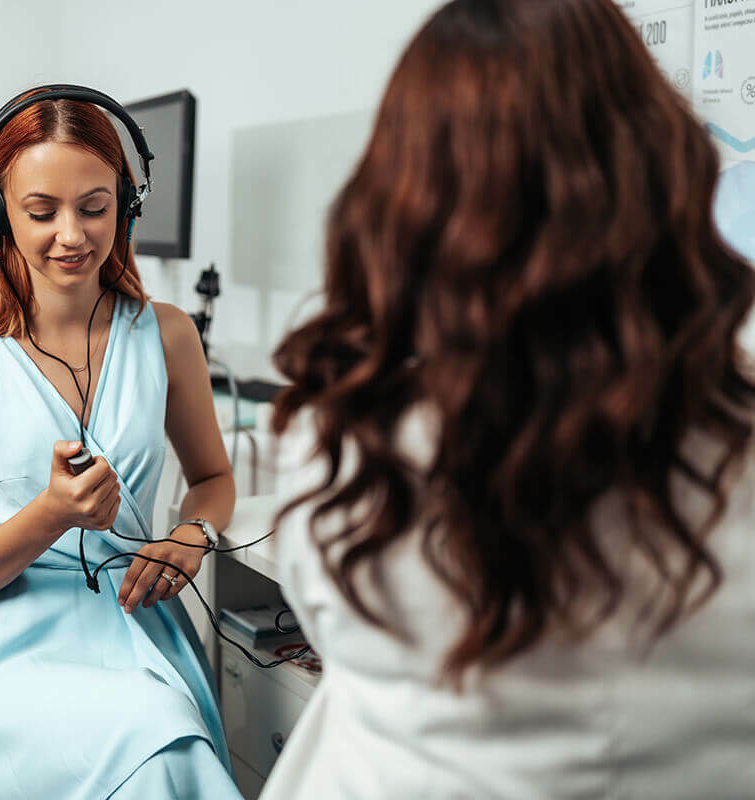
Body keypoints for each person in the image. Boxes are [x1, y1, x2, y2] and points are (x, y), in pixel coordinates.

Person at [261, 1, 755, 797]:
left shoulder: (347, 436)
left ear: (409, 195)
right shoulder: (734, 433)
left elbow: (325, 625)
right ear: (657, 167)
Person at [0, 86, 243, 799]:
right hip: (4, 643)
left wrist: (193, 534)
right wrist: (53, 513)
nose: (73, 234)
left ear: (124, 205)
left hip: (133, 623)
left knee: (160, 733)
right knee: (158, 751)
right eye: (42, 211)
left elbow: (213, 478)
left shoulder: (169, 334)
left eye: (94, 207)